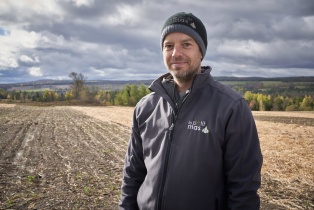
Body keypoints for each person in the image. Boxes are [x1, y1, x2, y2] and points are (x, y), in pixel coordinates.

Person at [119, 12, 263, 210]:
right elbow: (132, 175)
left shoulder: (231, 107)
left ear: (201, 52)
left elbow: (244, 188)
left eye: (186, 44)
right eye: (168, 46)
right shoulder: (145, 107)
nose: (176, 53)